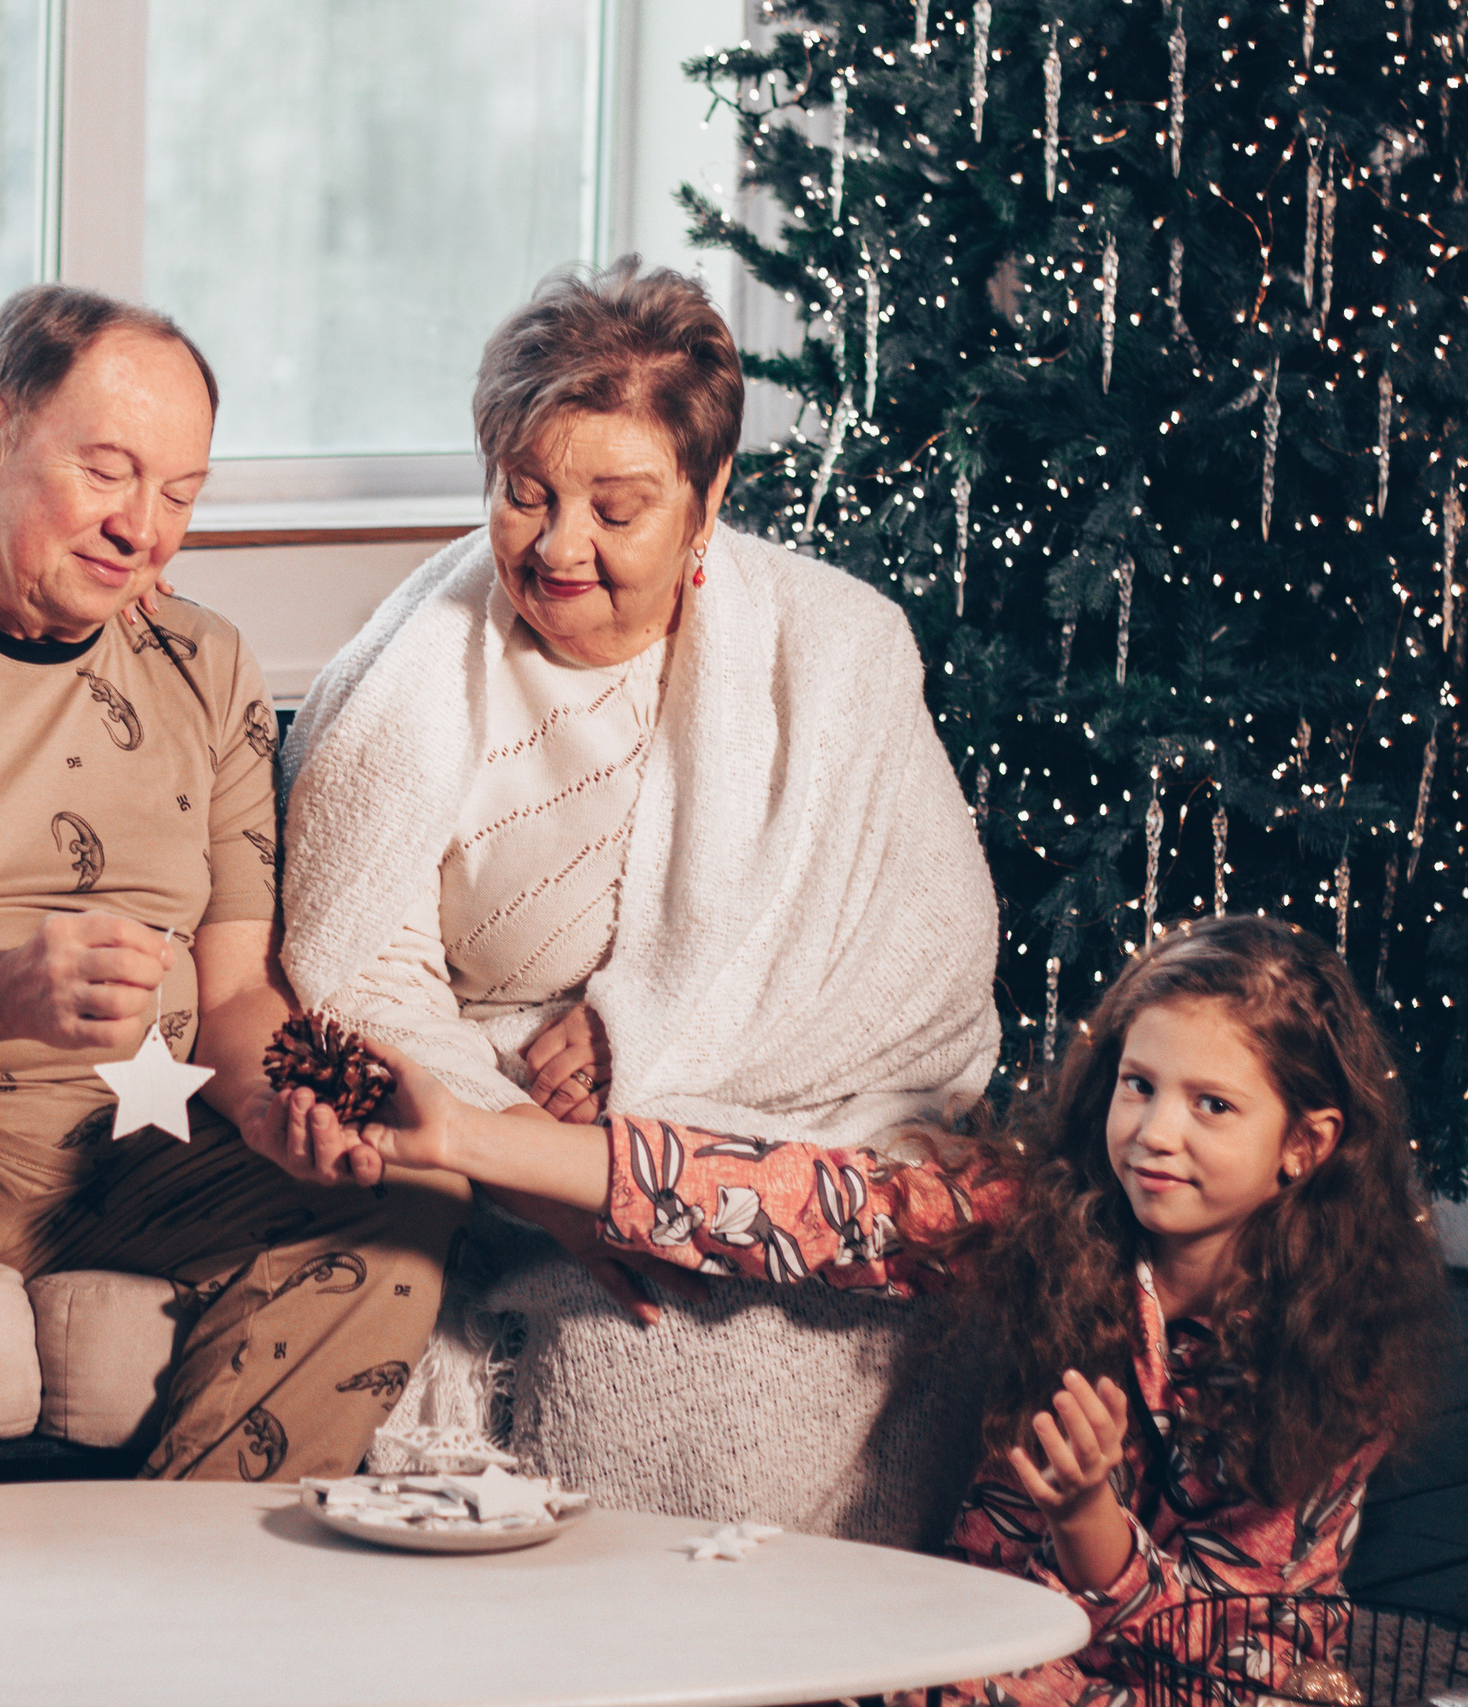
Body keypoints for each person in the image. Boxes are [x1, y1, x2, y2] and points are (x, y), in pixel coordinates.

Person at [0, 284, 472, 1493]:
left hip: (129, 1144)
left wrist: (286, 1108)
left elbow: (230, 996)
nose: (143, 529)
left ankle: (173, 1624)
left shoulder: (204, 665)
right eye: (108, 473)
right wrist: (1, 986)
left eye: (180, 493)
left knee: (401, 1211)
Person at [268, 257, 1003, 1541]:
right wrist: (535, 1159)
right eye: (525, 496)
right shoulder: (411, 668)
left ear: (709, 497)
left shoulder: (836, 651)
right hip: (482, 1127)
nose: (559, 549)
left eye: (618, 508)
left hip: (748, 1126)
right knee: (554, 1317)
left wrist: (643, 1029)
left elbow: (924, 972)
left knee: (722, 1343)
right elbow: (345, 961)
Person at [342, 914, 1456, 1706]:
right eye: (1140, 1084)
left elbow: (1233, 1656)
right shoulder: (1048, 1218)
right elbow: (808, 1202)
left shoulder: (1339, 1352)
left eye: (1213, 1105)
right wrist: (470, 1138)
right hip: (1000, 1651)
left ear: (1303, 1146)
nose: (1157, 1132)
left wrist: (1090, 1528)